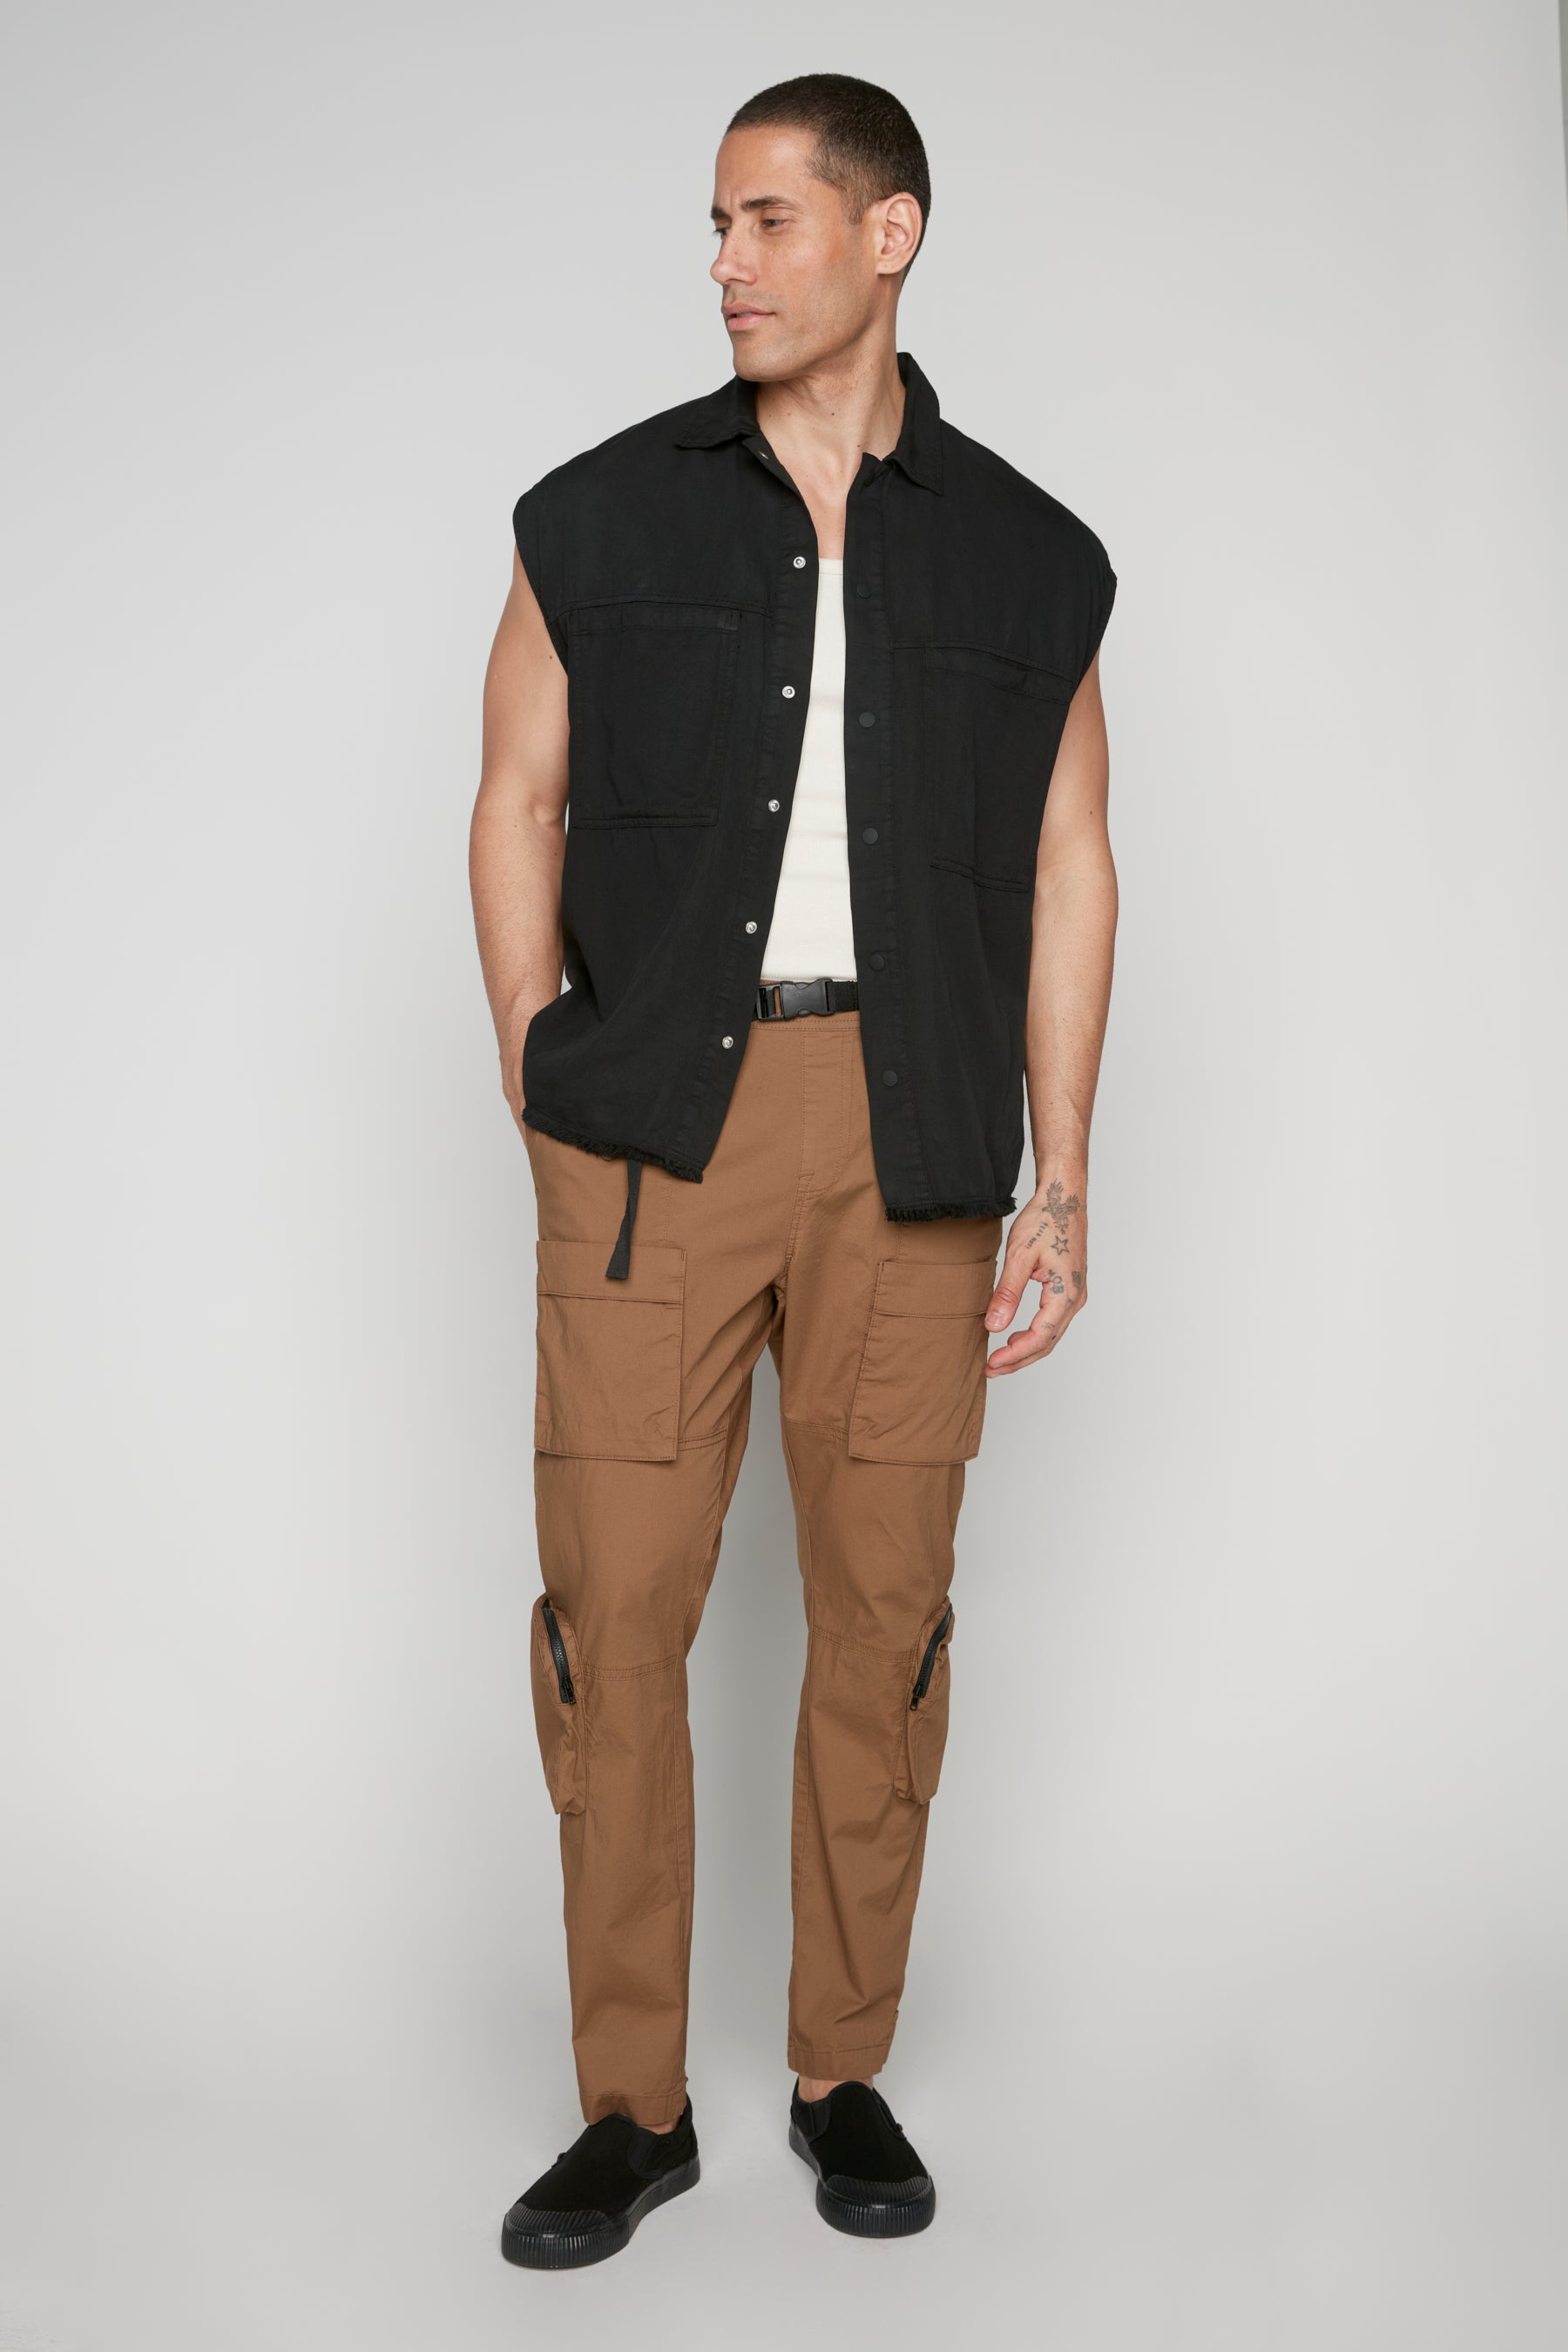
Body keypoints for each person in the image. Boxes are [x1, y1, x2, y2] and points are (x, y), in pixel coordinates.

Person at [470, 71, 1117, 2268]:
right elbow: (516, 799)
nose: (727, 262)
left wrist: (1062, 1173)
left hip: (914, 1140)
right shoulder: (595, 516)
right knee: (617, 1618)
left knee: (883, 1621)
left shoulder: (1032, 558)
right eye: (716, 225)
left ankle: (844, 2071)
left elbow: (1073, 860)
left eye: (768, 220)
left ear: (889, 233)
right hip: (657, 1130)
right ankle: (629, 2108)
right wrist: (534, 1060)